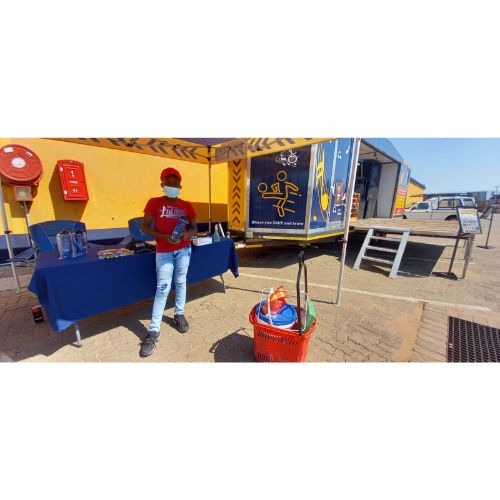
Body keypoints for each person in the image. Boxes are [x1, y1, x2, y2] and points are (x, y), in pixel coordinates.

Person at [139, 167, 197, 357]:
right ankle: (153, 331)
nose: (172, 185)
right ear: (162, 184)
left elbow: (194, 227)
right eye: (168, 182)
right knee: (162, 288)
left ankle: (179, 315)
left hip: (184, 250)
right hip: (163, 251)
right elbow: (144, 226)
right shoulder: (154, 202)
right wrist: (164, 236)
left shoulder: (186, 205)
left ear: (180, 185)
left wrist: (187, 234)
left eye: (175, 182)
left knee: (181, 282)